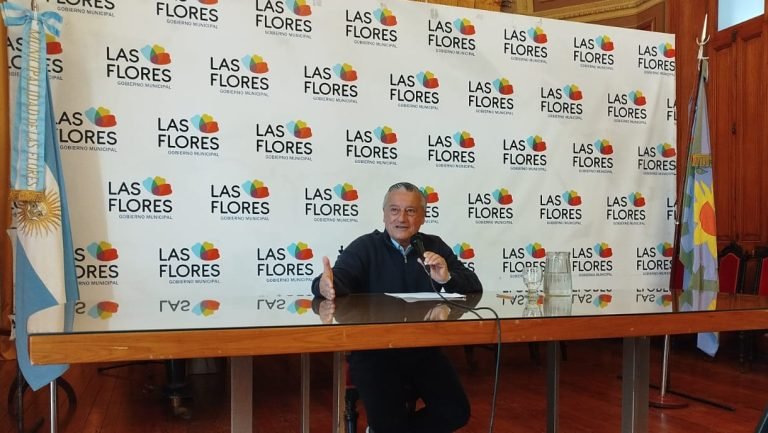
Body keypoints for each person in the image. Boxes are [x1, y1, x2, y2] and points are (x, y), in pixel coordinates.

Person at [311, 181, 483, 433]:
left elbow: (473, 285)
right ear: (384, 214)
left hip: (423, 351)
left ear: (422, 217)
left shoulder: (434, 246)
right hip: (374, 353)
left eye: (410, 211)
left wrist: (447, 278)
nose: (401, 218)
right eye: (394, 210)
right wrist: (324, 285)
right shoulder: (365, 247)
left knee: (456, 412)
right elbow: (338, 279)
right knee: (390, 425)